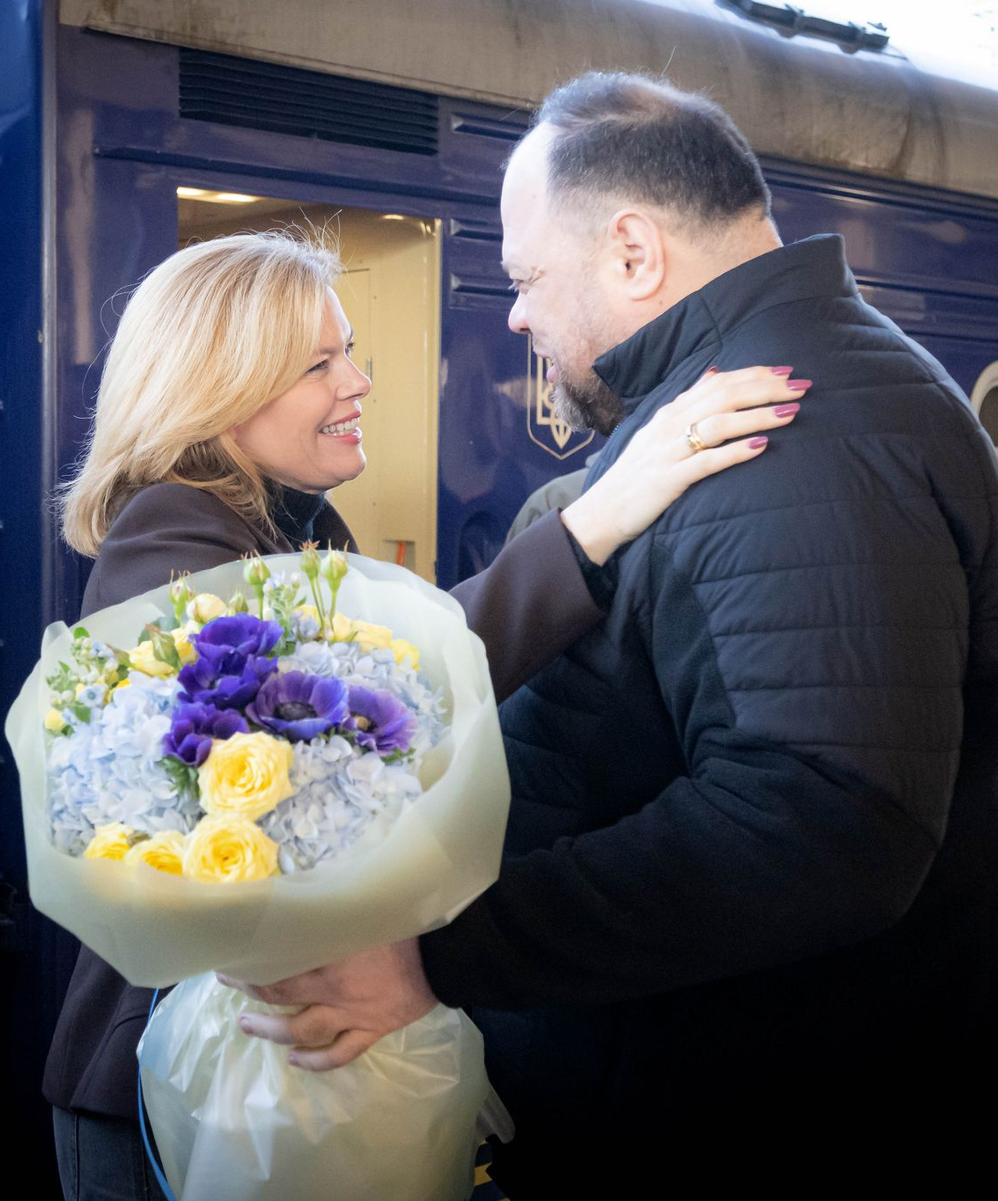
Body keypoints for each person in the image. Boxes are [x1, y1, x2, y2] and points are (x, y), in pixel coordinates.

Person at [227, 75, 998, 1178]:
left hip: (751, 1112)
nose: (516, 314)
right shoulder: (752, 397)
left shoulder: (787, 431)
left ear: (634, 252)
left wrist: (444, 953)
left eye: (527, 276)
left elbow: (821, 820)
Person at [41, 230, 800, 1198]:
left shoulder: (290, 524)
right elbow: (358, 703)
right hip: (171, 1088)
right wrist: (600, 518)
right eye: (320, 363)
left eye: (350, 351)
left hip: (250, 1078)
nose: (358, 381)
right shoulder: (172, 528)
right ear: (219, 388)